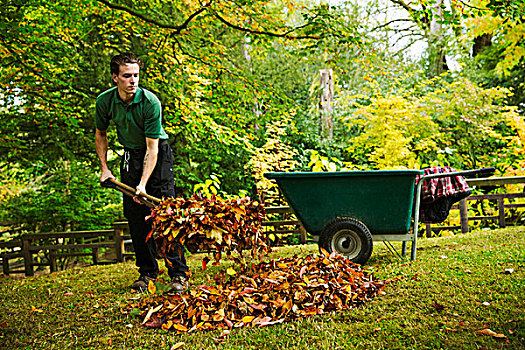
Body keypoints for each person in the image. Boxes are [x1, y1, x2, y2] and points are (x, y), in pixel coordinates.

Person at [94, 52, 188, 292]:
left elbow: (152, 148)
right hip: (129, 155)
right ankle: (147, 273)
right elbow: (100, 134)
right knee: (135, 216)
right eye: (127, 76)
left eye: (136, 75)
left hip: (158, 153)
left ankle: (178, 274)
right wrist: (105, 169)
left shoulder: (150, 102)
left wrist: (143, 184)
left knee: (167, 214)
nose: (133, 80)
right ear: (115, 78)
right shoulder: (105, 102)